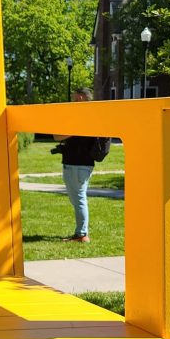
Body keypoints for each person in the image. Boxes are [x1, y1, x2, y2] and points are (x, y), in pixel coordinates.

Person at [52, 88, 109, 243]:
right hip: (75, 164)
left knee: (79, 199)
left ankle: (82, 234)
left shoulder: (86, 118)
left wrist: (73, 129)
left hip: (79, 165)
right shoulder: (86, 117)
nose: (72, 100)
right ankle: (81, 233)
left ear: (81, 98)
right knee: (77, 199)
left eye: (74, 98)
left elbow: (58, 135)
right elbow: (56, 136)